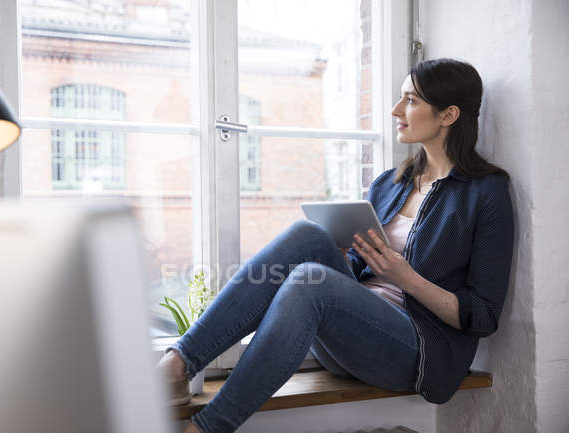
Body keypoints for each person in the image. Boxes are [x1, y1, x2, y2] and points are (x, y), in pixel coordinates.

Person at [157, 58, 515, 433]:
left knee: (311, 280)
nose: (396, 110)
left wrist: (405, 277)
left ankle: (207, 428)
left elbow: (484, 316)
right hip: (354, 333)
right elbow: (363, 274)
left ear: (449, 115)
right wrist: (349, 257)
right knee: (307, 236)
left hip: (417, 351)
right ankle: (179, 363)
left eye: (410, 100)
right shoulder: (389, 184)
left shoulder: (485, 194)